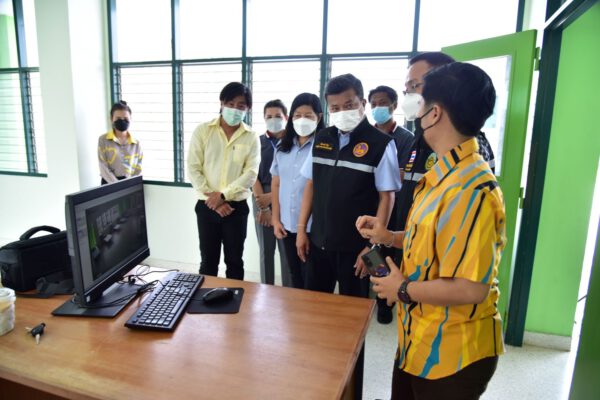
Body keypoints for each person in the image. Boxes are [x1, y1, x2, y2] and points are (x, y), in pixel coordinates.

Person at [356, 62, 506, 399]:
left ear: (434, 113)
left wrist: (402, 288)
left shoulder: (472, 189)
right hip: (418, 337)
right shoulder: (442, 174)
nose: (411, 101)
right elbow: (436, 240)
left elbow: (471, 288)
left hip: (452, 353)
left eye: (417, 94)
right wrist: (388, 237)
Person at [296, 74, 401, 299]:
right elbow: (311, 184)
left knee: (356, 310)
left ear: (362, 103)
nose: (342, 112)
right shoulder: (322, 138)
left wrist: (372, 246)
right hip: (319, 243)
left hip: (359, 249)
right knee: (312, 305)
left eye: (349, 105)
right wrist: (302, 229)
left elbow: (387, 197)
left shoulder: (381, 143)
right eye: (335, 108)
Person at [187, 82, 259, 280]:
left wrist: (223, 196)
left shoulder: (251, 137)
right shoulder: (203, 131)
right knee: (208, 262)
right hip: (206, 206)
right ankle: (203, 299)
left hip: (236, 209)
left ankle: (234, 299)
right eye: (230, 104)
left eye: (241, 106)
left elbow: (251, 173)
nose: (235, 109)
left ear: (248, 108)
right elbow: (193, 168)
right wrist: (215, 200)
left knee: (235, 262)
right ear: (221, 103)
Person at [369, 85, 414, 324]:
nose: (378, 108)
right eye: (374, 104)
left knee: (391, 256)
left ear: (394, 105)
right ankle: (377, 298)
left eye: (383, 103)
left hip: (396, 208)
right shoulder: (367, 136)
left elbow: (402, 174)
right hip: (370, 206)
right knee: (373, 256)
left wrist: (378, 176)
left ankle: (387, 305)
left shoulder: (406, 138)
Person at [271, 93, 324, 289]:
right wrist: (276, 219)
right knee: (295, 277)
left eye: (308, 116)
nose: (302, 120)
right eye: (297, 115)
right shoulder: (282, 146)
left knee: (312, 279)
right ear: (291, 117)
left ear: (319, 117)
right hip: (286, 225)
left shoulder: (324, 146)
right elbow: (276, 184)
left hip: (312, 227)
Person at [252, 99, 289, 286]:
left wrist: (273, 197)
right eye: (269, 117)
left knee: (286, 249)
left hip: (285, 196)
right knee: (266, 250)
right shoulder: (257, 143)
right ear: (264, 118)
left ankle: (290, 292)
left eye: (278, 116)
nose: (273, 120)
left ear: (286, 117)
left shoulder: (293, 142)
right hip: (261, 196)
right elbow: (252, 175)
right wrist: (263, 206)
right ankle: (266, 289)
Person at [98, 100, 142, 185]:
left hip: (130, 184)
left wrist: (130, 185)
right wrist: (117, 185)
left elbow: (138, 169)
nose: (122, 121)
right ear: (111, 119)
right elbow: (103, 166)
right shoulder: (103, 140)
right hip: (108, 183)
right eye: (118, 118)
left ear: (130, 119)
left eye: (125, 119)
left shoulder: (136, 144)